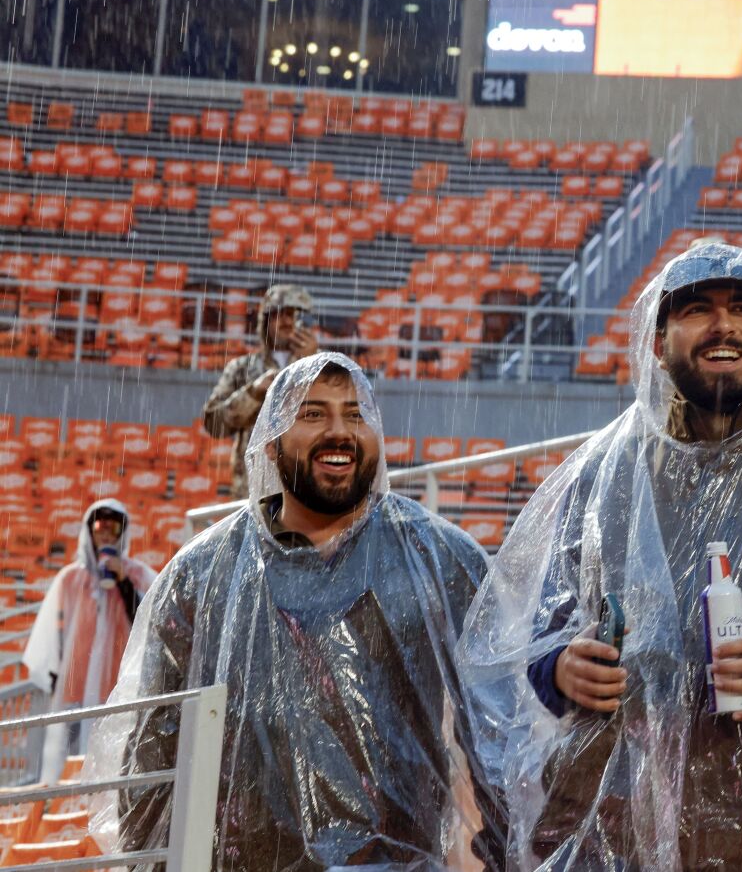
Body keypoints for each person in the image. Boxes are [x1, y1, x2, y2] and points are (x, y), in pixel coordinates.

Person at [460, 244, 742, 871]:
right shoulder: (602, 475)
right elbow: (538, 634)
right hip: (614, 815)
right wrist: (560, 668)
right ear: (659, 343)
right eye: (697, 309)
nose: (724, 326)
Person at [90, 352, 505, 871]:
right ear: (270, 439)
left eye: (355, 415)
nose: (339, 432)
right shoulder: (202, 575)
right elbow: (155, 751)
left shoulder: (442, 560)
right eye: (312, 414)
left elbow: (499, 732)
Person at [23, 499, 156, 774]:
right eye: (99, 526)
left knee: (111, 763)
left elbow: (149, 623)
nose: (106, 534)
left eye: (113, 528)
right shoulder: (70, 578)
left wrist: (123, 583)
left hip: (117, 690)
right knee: (69, 763)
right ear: (89, 531)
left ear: (123, 532)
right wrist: (52, 674)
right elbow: (50, 633)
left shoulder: (139, 575)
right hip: (76, 688)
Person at [202, 283, 318, 493]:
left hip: (306, 485)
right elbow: (213, 423)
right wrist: (253, 392)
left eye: (293, 315)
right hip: (253, 488)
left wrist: (311, 363)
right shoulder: (242, 369)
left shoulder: (322, 366)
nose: (287, 321)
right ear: (266, 321)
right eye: (279, 314)